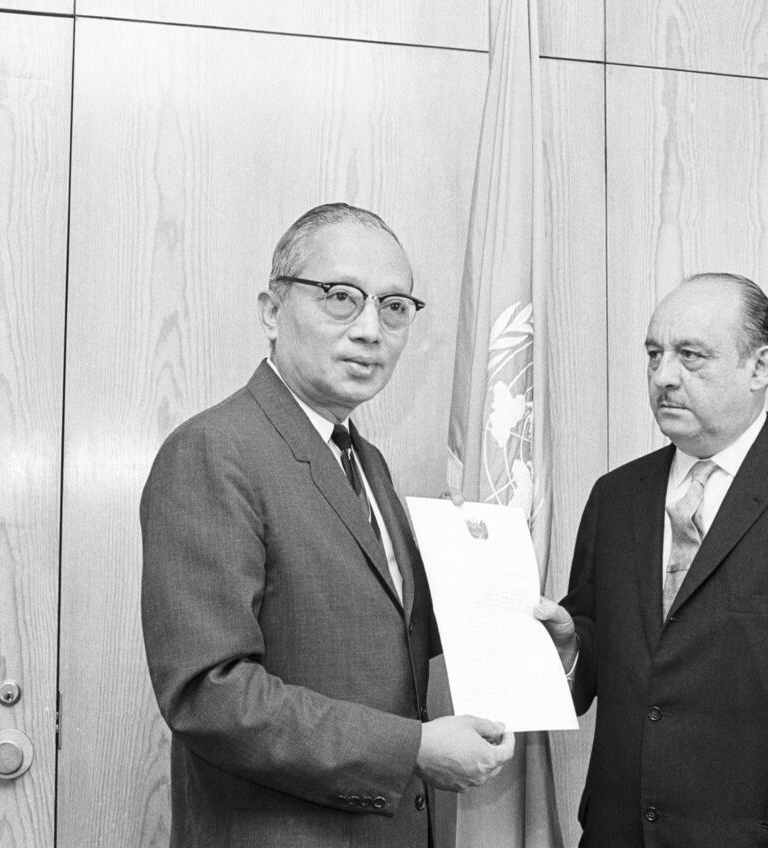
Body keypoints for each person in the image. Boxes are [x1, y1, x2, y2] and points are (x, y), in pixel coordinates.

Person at [141, 202, 514, 848]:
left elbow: (381, 634)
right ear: (271, 311)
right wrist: (413, 749)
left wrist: (521, 629)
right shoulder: (213, 451)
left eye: (394, 307)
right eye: (341, 297)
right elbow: (208, 694)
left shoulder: (366, 461)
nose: (370, 330)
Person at [536, 273, 768, 847]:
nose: (663, 376)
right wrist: (569, 649)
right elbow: (599, 662)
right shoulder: (615, 497)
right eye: (655, 354)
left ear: (759, 367)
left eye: (691, 355)